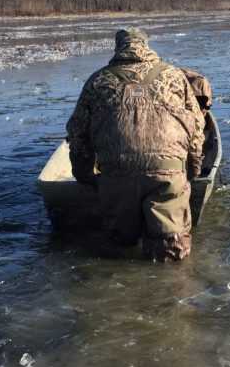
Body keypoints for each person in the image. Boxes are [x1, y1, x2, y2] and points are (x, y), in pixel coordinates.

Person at [66, 28, 206, 261]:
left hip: (116, 174)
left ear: (118, 48)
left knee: (118, 250)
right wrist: (193, 169)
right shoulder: (174, 76)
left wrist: (84, 175)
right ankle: (171, 291)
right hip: (168, 172)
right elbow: (196, 127)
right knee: (171, 251)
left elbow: (78, 133)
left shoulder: (98, 80)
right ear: (147, 46)